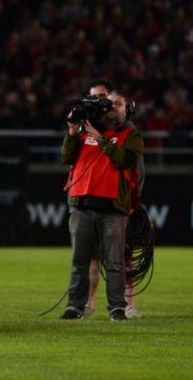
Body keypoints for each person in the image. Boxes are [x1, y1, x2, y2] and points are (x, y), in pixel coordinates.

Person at [61, 90, 144, 321]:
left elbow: (126, 161)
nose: (113, 107)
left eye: (119, 104)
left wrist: (100, 138)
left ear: (128, 109)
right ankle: (75, 307)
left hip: (113, 208)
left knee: (115, 262)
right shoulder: (84, 130)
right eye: (111, 103)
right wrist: (71, 131)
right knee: (79, 261)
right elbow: (66, 157)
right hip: (82, 205)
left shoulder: (131, 135)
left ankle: (117, 307)